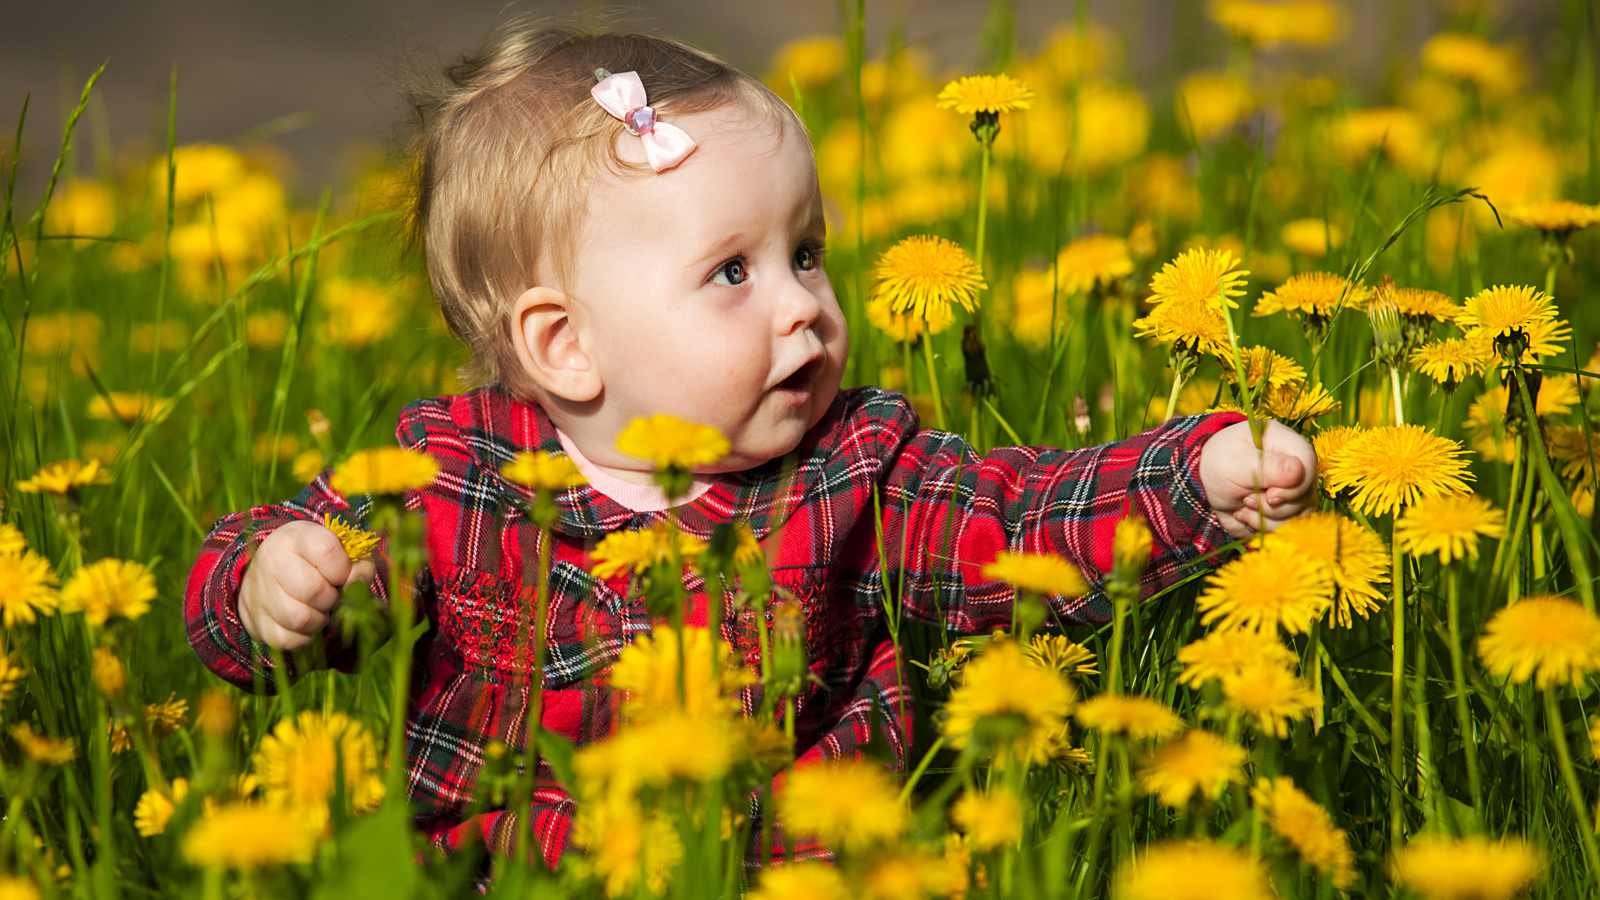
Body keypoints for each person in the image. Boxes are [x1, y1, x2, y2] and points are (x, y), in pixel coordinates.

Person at [184, 24, 1317, 869]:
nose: (802, 308)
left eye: (806, 252)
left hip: (797, 873)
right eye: (734, 271)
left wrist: (1196, 476)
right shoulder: (448, 478)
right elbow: (261, 577)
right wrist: (275, 586)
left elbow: (1021, 517)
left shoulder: (853, 468)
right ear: (564, 343)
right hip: (518, 878)